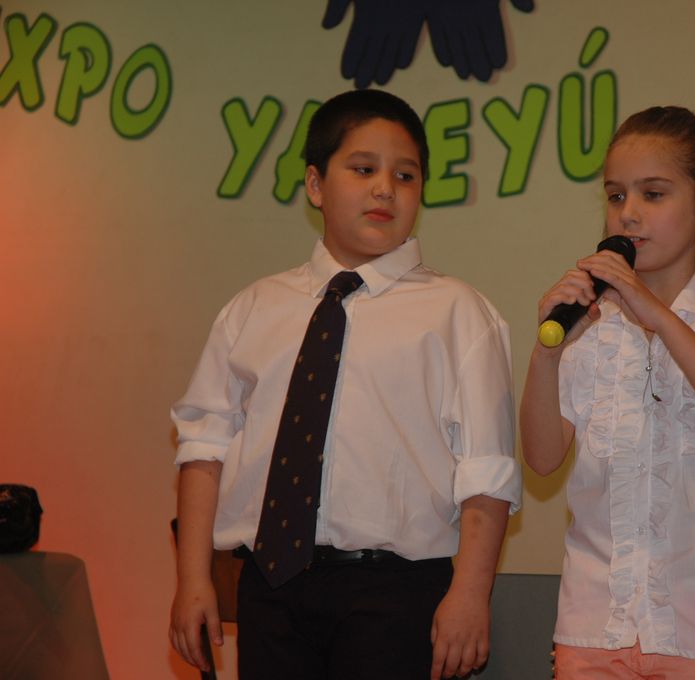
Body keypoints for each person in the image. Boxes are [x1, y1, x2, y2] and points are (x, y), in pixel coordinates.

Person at [169, 89, 521, 680]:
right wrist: (193, 578)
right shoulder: (254, 308)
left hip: (397, 593)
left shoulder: (458, 312)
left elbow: (486, 468)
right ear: (315, 184)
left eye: (405, 175)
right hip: (270, 586)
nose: (385, 188)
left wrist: (470, 593)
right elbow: (204, 446)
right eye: (363, 169)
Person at [520, 106, 695, 680]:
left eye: (653, 194)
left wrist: (660, 317)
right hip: (593, 623)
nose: (629, 213)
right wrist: (547, 352)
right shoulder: (590, 320)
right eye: (616, 196)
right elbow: (542, 459)